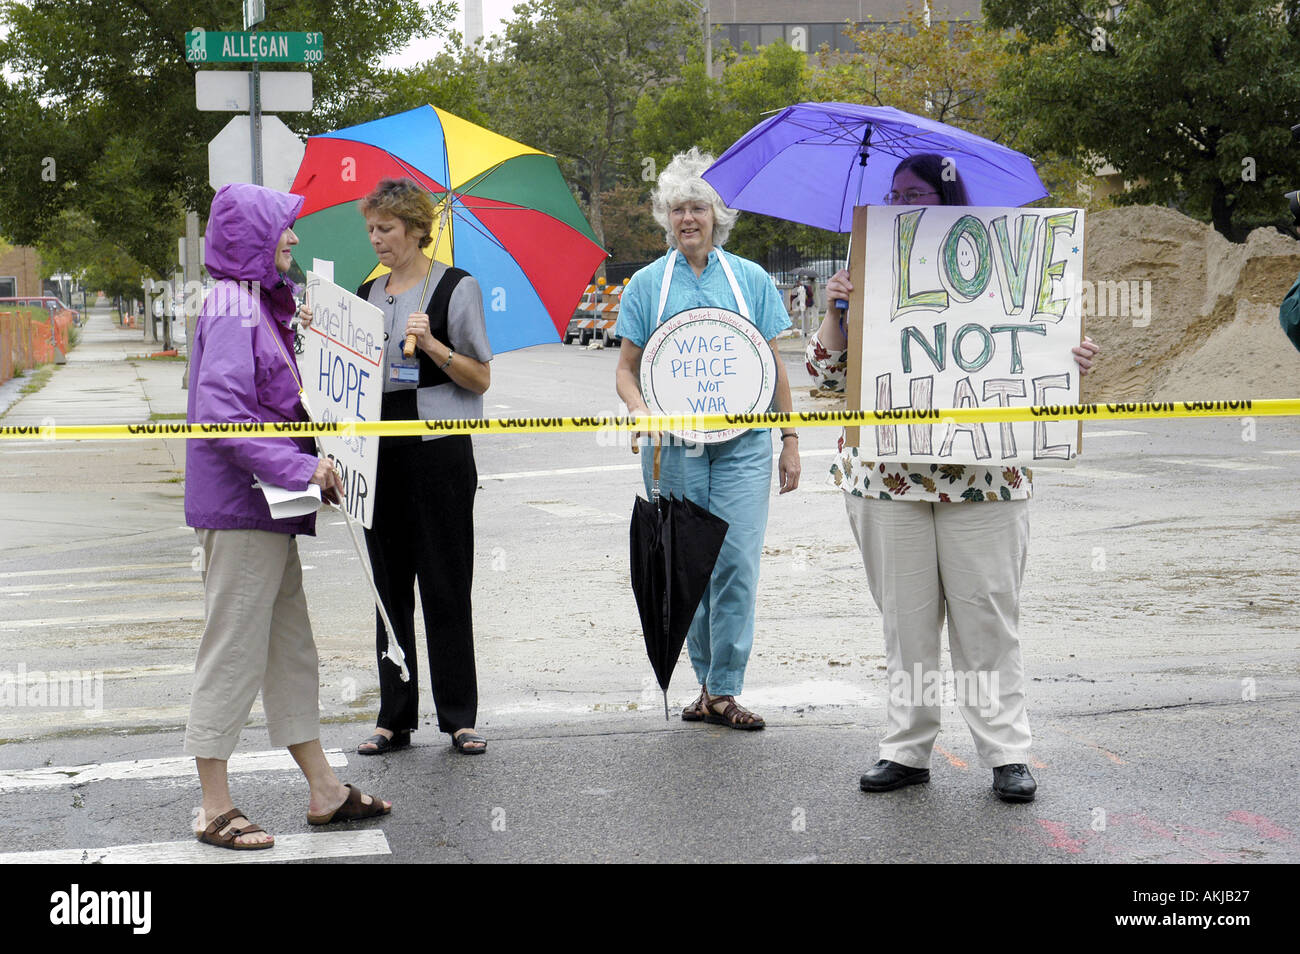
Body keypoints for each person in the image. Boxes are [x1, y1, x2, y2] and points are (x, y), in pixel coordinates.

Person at [807, 154, 1100, 801]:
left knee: (988, 619)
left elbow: (1040, 358)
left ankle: (1006, 753)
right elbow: (826, 377)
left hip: (985, 478)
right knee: (905, 624)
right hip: (887, 481)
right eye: (894, 193)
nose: (903, 201)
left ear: (949, 202)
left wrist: (1070, 355)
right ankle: (906, 750)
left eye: (917, 192)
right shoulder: (868, 274)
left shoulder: (1003, 271)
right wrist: (838, 310)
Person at [185, 182, 391, 850]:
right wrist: (301, 467)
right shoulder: (231, 307)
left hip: (269, 509)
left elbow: (281, 402)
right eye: (285, 228)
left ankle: (325, 790)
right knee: (234, 652)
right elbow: (220, 416)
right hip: (243, 508)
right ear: (253, 237)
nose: (295, 239)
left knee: (289, 654)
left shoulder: (260, 307)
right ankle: (211, 805)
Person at [615, 147, 801, 730]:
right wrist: (639, 408)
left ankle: (726, 688)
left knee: (737, 563)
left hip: (744, 447)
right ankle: (704, 686)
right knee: (685, 565)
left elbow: (774, 366)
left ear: (716, 215)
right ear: (665, 218)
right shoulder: (647, 284)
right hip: (673, 451)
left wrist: (790, 439)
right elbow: (626, 368)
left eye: (697, 208)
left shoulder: (749, 279)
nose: (686, 219)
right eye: (676, 210)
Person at [351, 178, 493, 757]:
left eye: (385, 228)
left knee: (446, 582)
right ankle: (394, 715)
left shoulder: (457, 287)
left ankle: (459, 715)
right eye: (371, 230)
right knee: (389, 588)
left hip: (439, 451)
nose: (377, 239)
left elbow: (480, 376)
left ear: (414, 227)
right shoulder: (366, 290)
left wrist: (433, 346)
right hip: (380, 450)